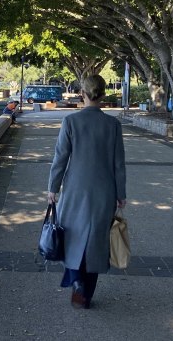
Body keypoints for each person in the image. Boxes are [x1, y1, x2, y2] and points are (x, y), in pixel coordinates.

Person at [47, 74, 127, 310]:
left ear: (82, 94)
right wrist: (121, 193)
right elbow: (118, 164)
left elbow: (60, 158)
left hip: (75, 190)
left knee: (72, 237)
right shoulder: (113, 125)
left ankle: (76, 281)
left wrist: (53, 187)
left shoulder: (70, 122)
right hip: (105, 190)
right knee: (96, 241)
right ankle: (86, 292)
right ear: (102, 95)